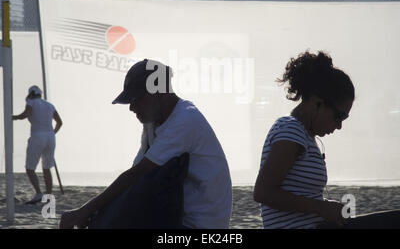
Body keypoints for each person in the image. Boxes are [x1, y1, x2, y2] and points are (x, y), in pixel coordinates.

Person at [59, 59, 232, 229]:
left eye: (137, 99)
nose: (131, 107)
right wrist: (95, 213)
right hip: (174, 215)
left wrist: (86, 210)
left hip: (199, 224)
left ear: (160, 93)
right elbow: (133, 176)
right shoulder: (154, 122)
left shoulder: (185, 120)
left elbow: (137, 174)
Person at [253, 50, 400, 229]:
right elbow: (263, 192)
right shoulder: (291, 130)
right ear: (317, 103)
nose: (339, 126)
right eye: (338, 116)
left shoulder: (303, 135)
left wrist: (327, 207)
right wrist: (322, 207)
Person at [12, 85, 63, 203]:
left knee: (30, 168)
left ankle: (39, 193)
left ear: (30, 94)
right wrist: (52, 133)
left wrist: (14, 117)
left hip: (37, 137)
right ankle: (49, 195)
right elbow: (59, 122)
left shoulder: (31, 102)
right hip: (50, 137)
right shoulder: (49, 105)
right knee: (47, 167)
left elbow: (26, 114)